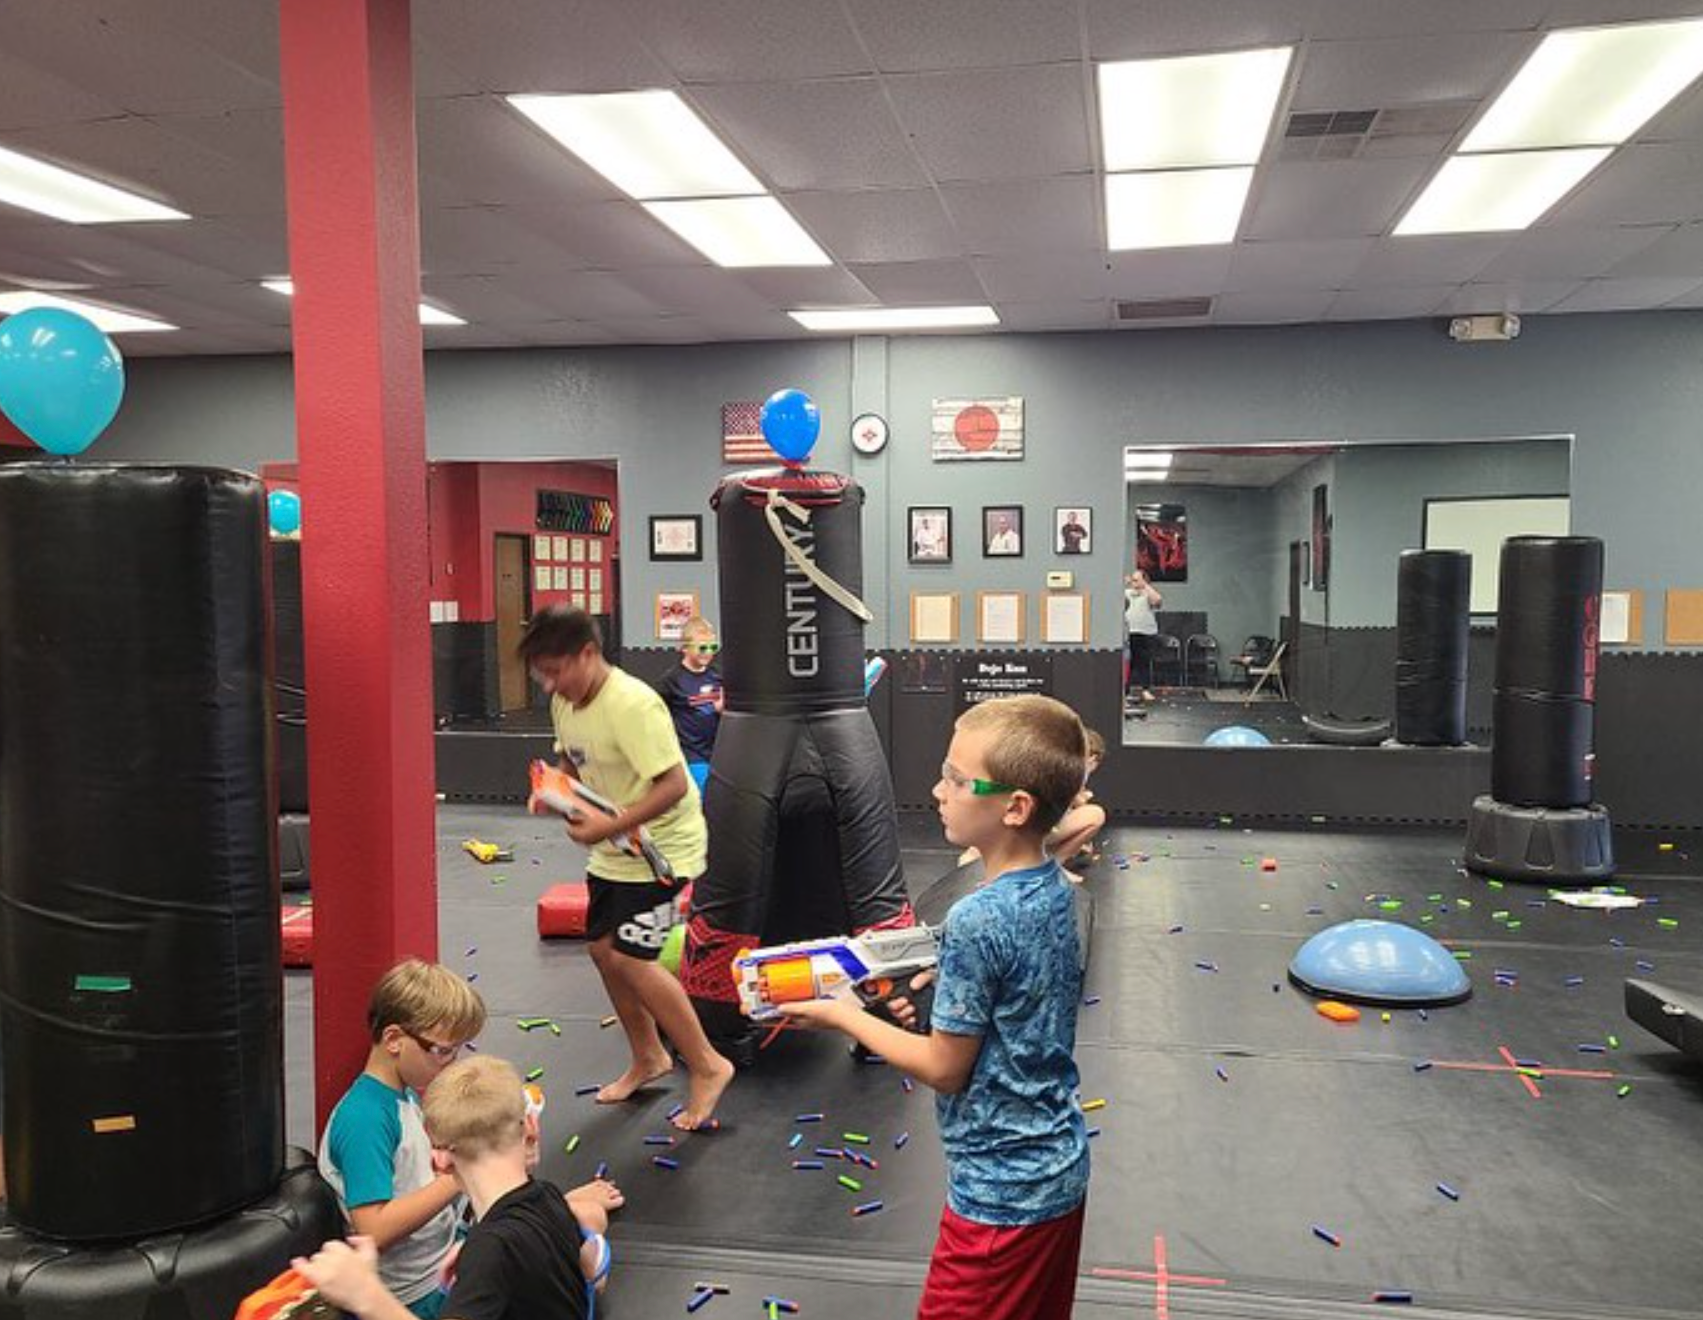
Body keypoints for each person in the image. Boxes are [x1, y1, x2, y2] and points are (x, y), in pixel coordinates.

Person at [777, 695, 1091, 1320]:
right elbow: (1014, 986)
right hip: (1057, 1168)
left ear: (1015, 807)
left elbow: (947, 1069)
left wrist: (843, 1014)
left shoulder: (979, 917)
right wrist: (934, 967)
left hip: (999, 1196)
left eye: (955, 778)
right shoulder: (1055, 884)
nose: (938, 789)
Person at [519, 605, 734, 1130]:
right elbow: (572, 761)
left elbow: (674, 785)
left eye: (555, 671)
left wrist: (599, 825)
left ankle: (708, 1065)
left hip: (664, 852)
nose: (550, 685)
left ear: (588, 655)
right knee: (601, 950)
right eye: (541, 675)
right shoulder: (568, 703)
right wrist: (556, 792)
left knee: (632, 959)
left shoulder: (634, 705)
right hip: (615, 851)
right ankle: (649, 1056)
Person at [294, 1055, 618, 1320]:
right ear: (530, 1129)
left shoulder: (489, 1250)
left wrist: (366, 1294)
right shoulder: (549, 1198)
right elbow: (594, 1268)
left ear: (441, 1159)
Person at [317, 959, 489, 1319]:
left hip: (443, 1256)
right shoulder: (365, 1117)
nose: (450, 1062)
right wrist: (460, 1176)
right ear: (394, 1039)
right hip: (411, 1296)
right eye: (442, 1050)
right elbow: (374, 1228)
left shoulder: (404, 1093)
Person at [655, 616, 723, 797]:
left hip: (717, 753)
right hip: (691, 755)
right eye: (702, 647)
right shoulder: (672, 680)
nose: (708, 652)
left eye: (713, 647)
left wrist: (722, 710)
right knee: (702, 798)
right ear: (684, 648)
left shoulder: (717, 676)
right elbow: (654, 713)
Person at [1048, 728, 1106, 871]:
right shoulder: (1076, 773)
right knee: (1096, 815)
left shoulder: (1053, 764)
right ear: (1092, 758)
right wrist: (1083, 798)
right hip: (1039, 831)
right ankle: (1054, 866)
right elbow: (1077, 802)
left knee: (1083, 851)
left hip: (1022, 830)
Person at [1123, 569, 1162, 710]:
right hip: (1130, 632)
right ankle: (1125, 692)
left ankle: (1145, 690)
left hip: (1146, 632)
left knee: (1144, 662)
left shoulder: (1148, 593)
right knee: (1129, 663)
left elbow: (1157, 601)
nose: (1134, 582)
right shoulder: (1127, 593)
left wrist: (1145, 586)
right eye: (1133, 579)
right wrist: (1125, 583)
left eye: (1137, 579)